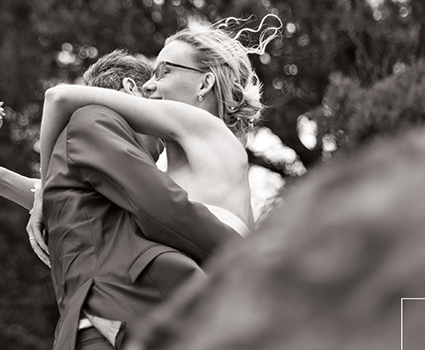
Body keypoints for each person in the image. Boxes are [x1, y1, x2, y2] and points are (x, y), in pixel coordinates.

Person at [0, 50, 240, 350]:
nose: (161, 141)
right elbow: (161, 208)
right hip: (116, 332)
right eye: (154, 85)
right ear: (134, 90)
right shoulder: (95, 119)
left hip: (116, 338)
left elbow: (82, 203)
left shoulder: (89, 153)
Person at [30, 17, 279, 252]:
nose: (148, 85)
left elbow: (58, 97)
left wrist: (44, 195)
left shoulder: (204, 125)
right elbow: (81, 201)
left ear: (204, 84)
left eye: (163, 72)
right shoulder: (174, 179)